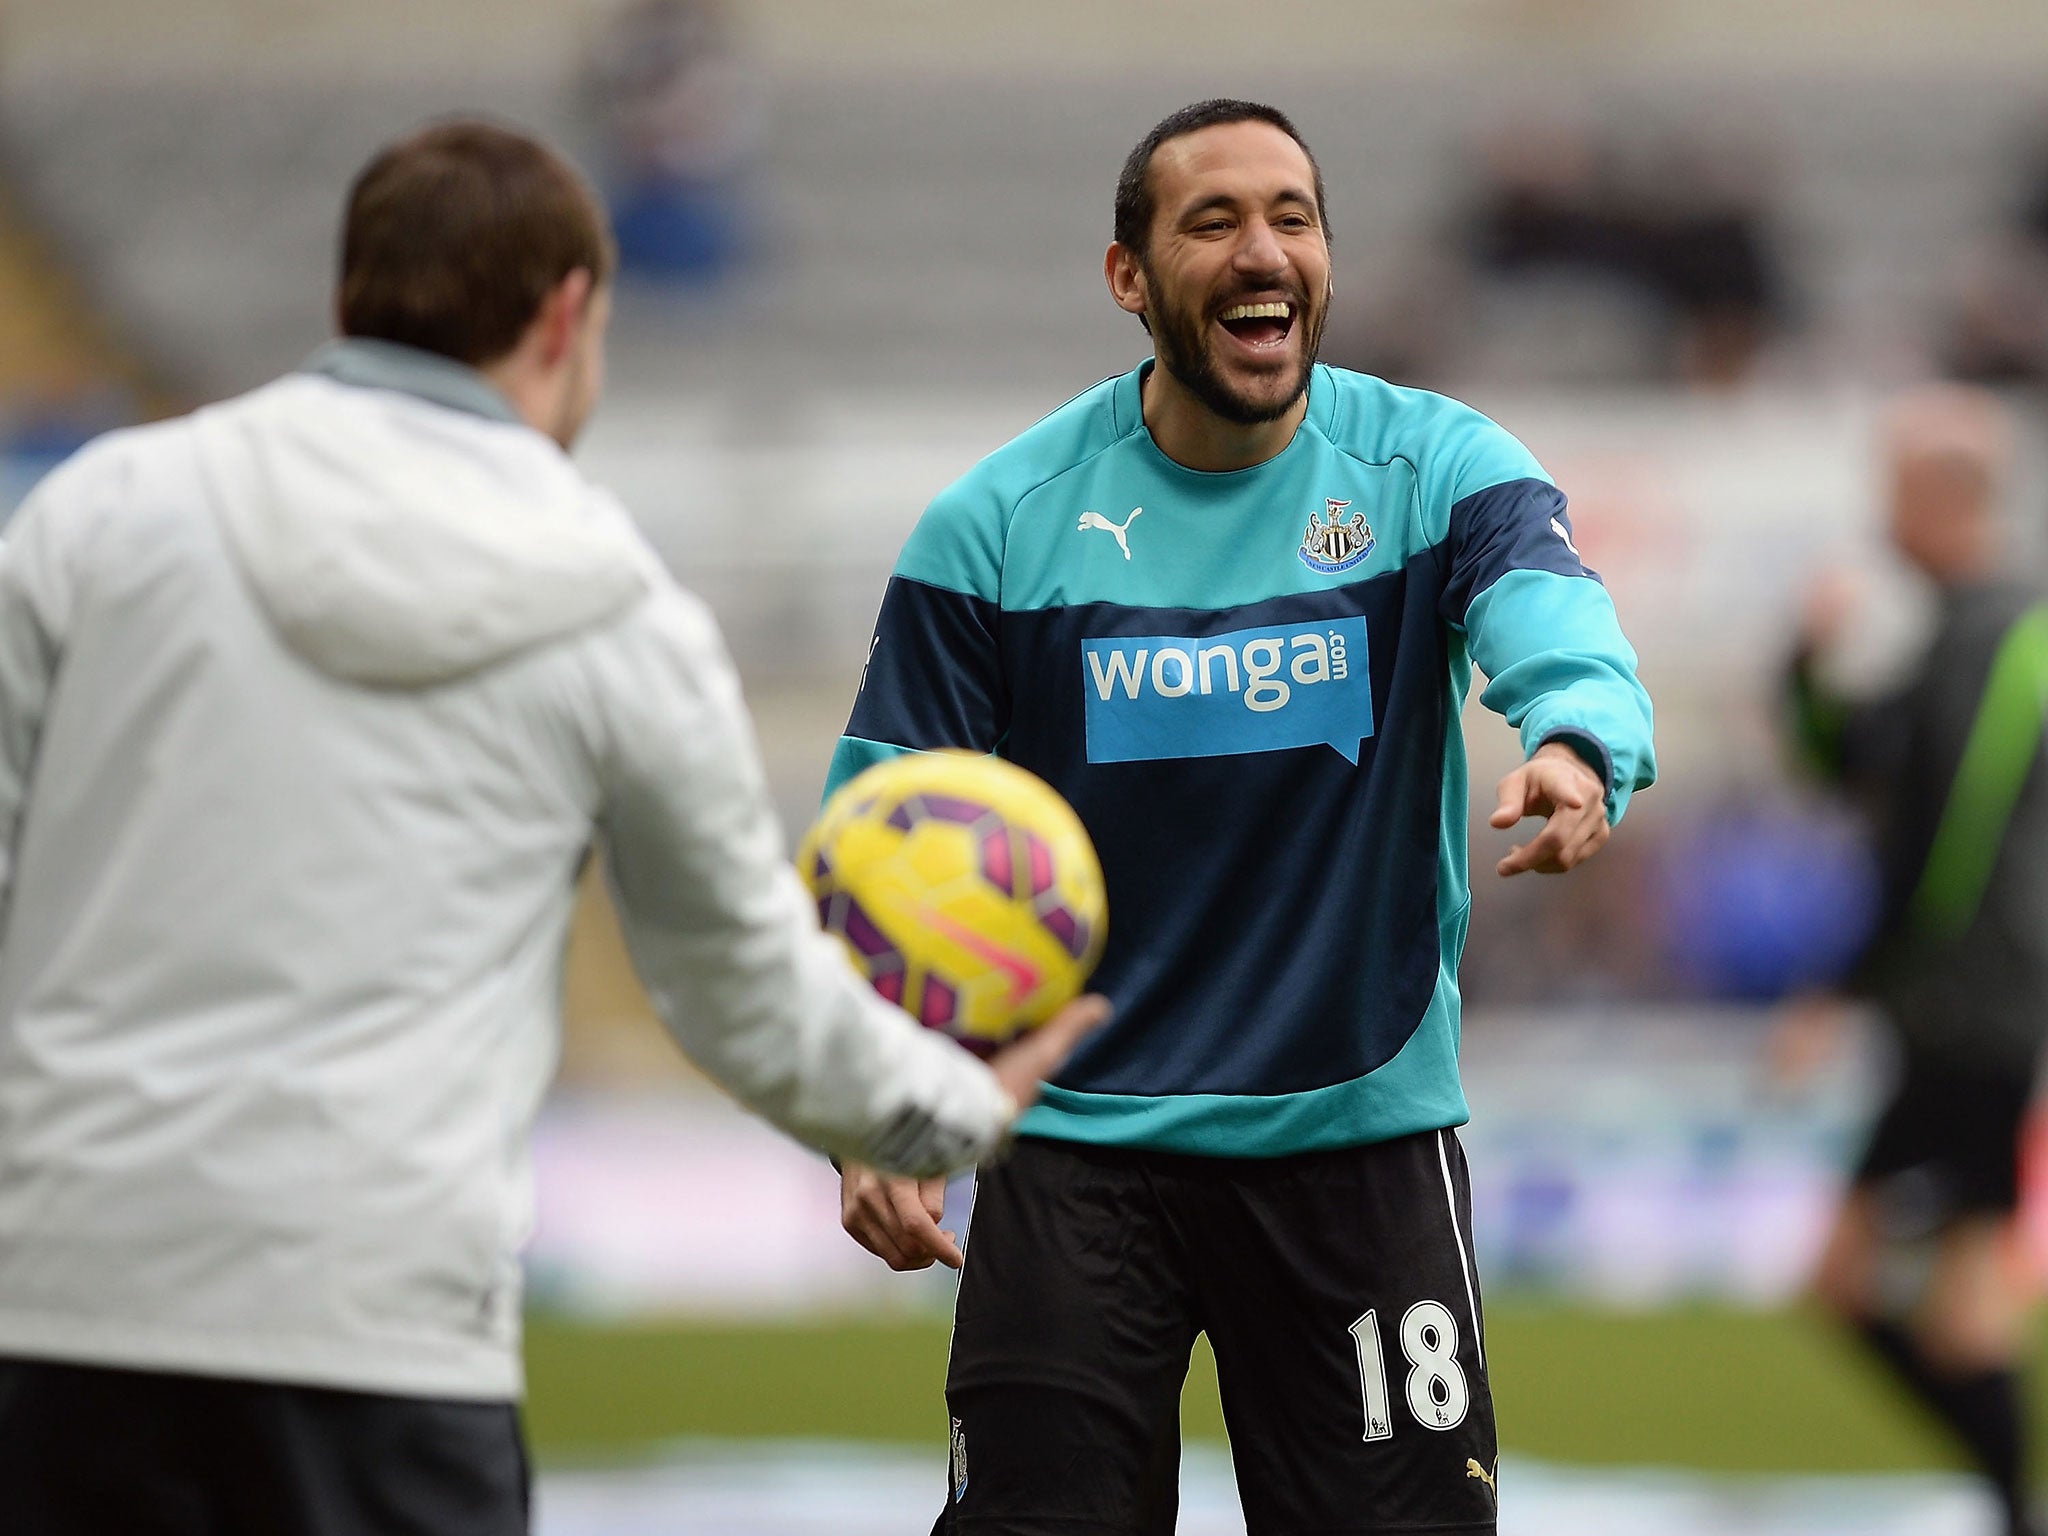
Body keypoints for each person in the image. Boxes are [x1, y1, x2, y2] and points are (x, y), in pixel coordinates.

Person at [0, 118, 1102, 1536]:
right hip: (379, 1326)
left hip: (66, 1299)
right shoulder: (616, 607)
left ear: (351, 299)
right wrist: (952, 1105)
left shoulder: (97, 511)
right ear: (570, 314)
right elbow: (740, 989)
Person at [828, 99, 1656, 1535]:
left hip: (1357, 1144)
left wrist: (1580, 744)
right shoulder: (997, 527)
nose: (1261, 247)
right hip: (1075, 1154)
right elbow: (876, 836)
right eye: (1212, 220)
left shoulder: (1435, 469)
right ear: (1129, 277)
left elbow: (1553, 614)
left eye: (1292, 216)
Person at [1787, 385, 2046, 1536]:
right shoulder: (1948, 632)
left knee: (1851, 1283)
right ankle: (2010, 1505)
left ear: (1946, 495)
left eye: (1894, 493)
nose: (1880, 518)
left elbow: (1948, 833)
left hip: (1969, 1010)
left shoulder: (2008, 633)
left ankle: (2012, 1505)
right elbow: (1850, 760)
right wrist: (1805, 662)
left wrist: (1842, 986)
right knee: (1962, 1313)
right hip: (1962, 1010)